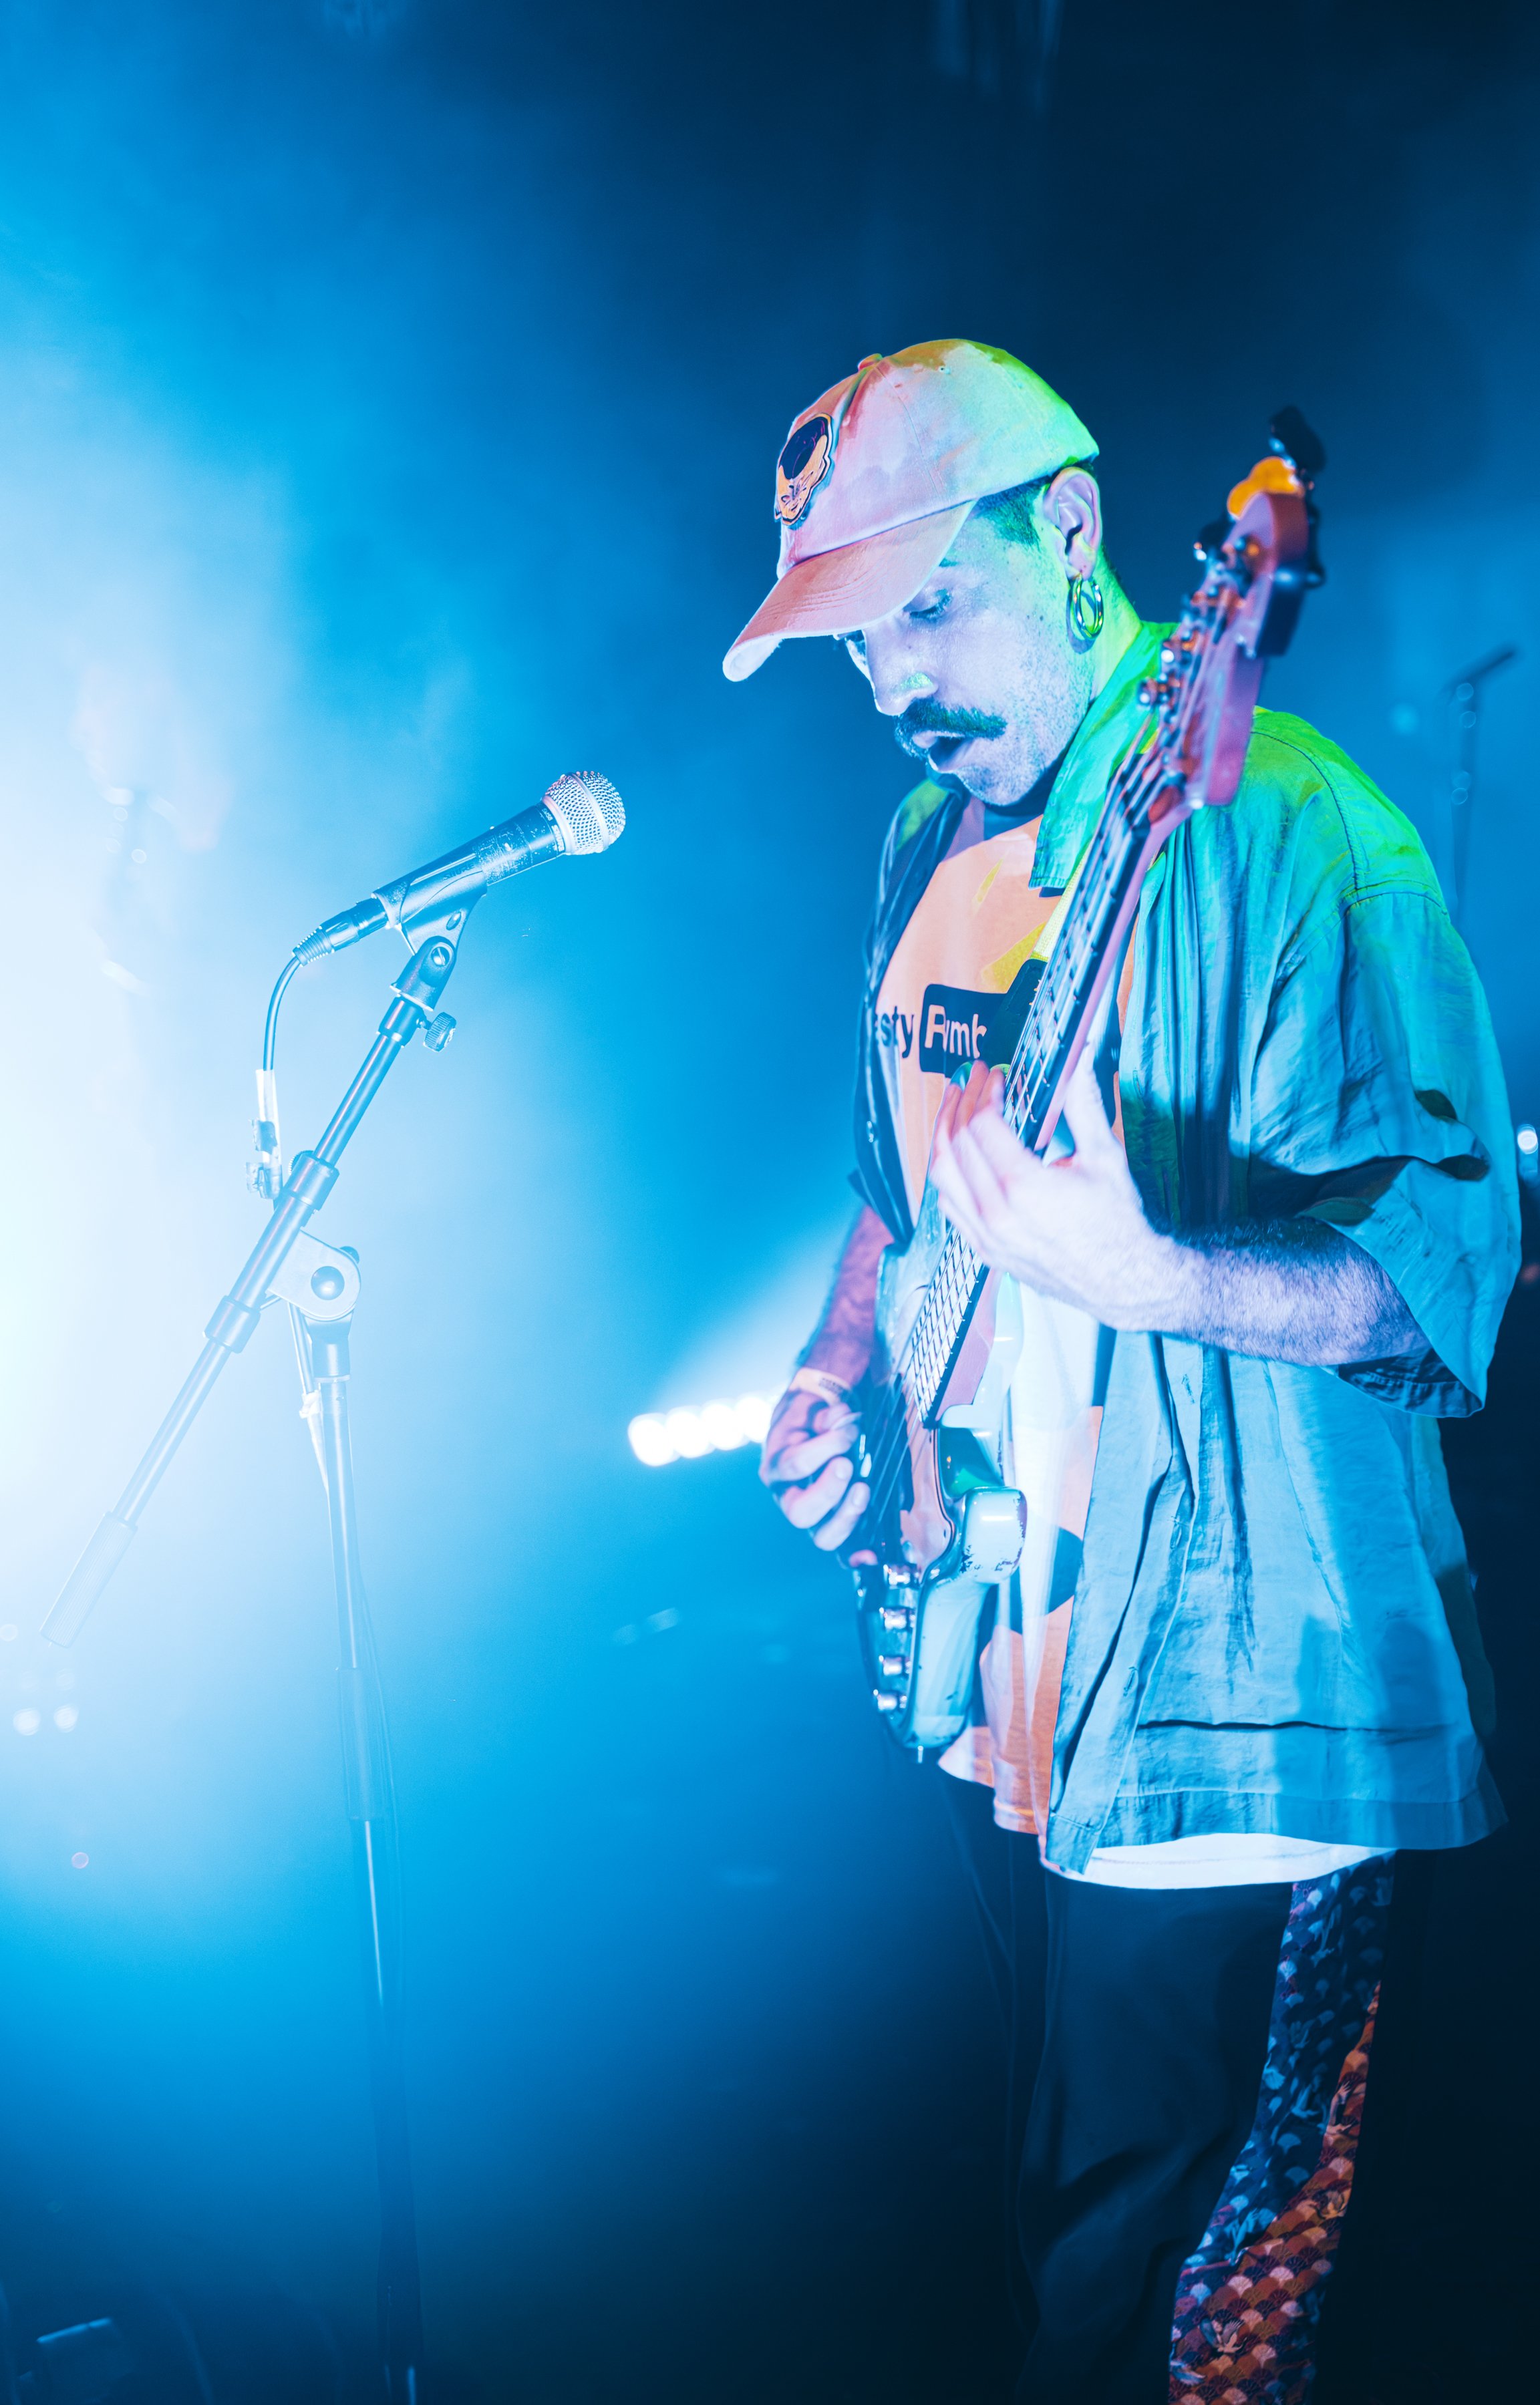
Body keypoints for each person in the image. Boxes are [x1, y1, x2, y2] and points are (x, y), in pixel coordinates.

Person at [727, 341, 1518, 2403]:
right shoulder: (925, 843)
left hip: (1238, 1716)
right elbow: (890, 1191)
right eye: (853, 639)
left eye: (930, 604)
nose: (895, 679)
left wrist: (1152, 1266)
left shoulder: (1304, 844)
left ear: (1072, 538)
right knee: (1025, 2236)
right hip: (1013, 1691)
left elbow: (1442, 1279)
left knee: (1174, 2318)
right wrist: (838, 1386)